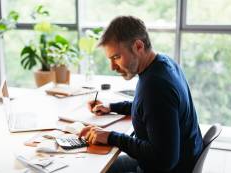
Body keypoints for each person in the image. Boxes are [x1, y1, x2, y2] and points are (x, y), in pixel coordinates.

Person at [79, 16, 203, 173]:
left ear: (138, 46)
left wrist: (111, 137)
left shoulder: (155, 86)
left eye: (116, 57)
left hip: (166, 167)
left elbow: (165, 160)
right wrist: (111, 107)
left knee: (93, 167)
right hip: (182, 159)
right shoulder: (163, 63)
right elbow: (151, 110)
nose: (112, 67)